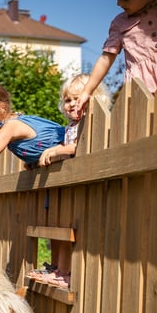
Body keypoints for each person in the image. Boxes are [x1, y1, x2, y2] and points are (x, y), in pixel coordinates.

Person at [26, 74, 112, 288]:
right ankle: (58, 268)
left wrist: (57, 149)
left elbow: (79, 148)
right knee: (60, 230)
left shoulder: (91, 122)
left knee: (71, 233)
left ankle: (65, 272)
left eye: (77, 98)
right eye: (68, 100)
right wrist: (38, 162)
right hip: (69, 187)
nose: (72, 104)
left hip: (87, 186)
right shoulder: (70, 127)